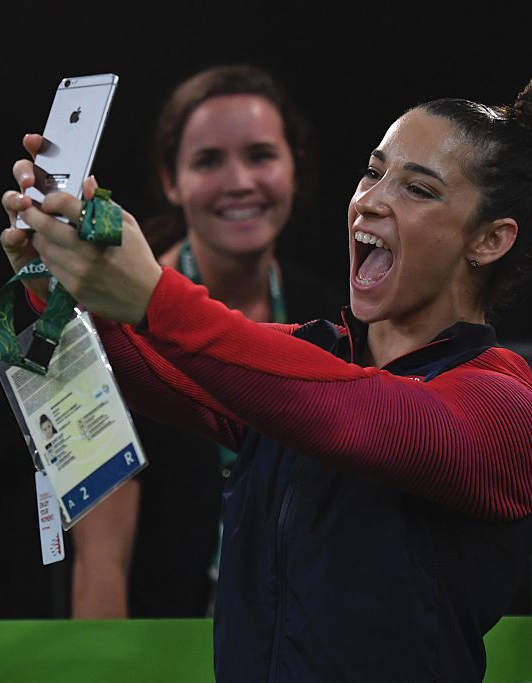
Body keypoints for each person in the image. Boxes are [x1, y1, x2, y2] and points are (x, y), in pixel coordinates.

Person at [2, 67, 532, 681]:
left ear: (490, 240)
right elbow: (146, 367)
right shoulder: (309, 355)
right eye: (373, 170)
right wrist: (54, 279)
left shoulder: (505, 410)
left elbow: (354, 418)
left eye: (419, 189)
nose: (373, 199)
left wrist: (154, 294)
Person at [69, 64, 345, 619]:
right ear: (171, 181)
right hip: (164, 647)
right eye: (208, 161)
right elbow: (99, 565)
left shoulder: (337, 318)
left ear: (295, 168)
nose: (240, 181)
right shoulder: (107, 327)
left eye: (261, 155)